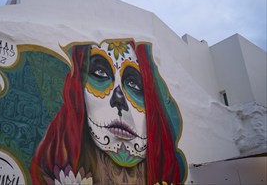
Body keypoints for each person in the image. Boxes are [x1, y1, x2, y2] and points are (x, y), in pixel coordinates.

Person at [30, 39, 186, 184]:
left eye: (133, 83)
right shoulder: (51, 166)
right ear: (77, 90)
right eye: (100, 74)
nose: (118, 100)